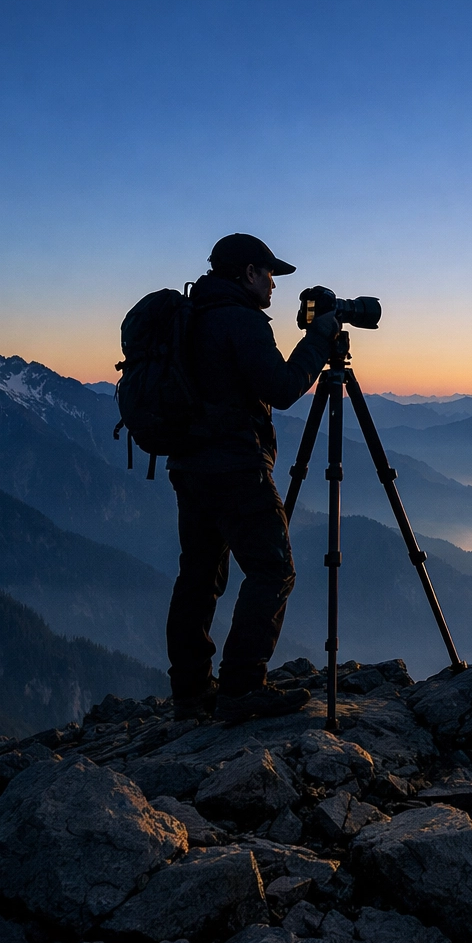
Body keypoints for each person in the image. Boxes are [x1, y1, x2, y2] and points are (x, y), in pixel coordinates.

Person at [166, 232, 341, 723]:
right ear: (246, 273)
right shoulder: (241, 321)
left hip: (189, 468)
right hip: (236, 468)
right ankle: (242, 688)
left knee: (198, 577)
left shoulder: (193, 315)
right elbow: (282, 389)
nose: (273, 285)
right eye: (268, 274)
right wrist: (316, 341)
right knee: (273, 569)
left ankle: (191, 692)